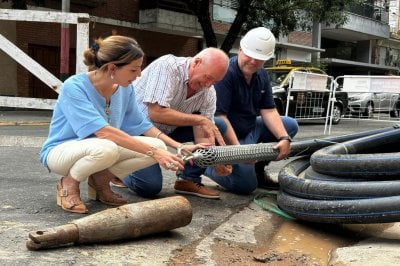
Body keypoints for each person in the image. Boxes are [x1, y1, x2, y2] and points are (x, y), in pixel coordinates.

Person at [39, 35, 204, 214]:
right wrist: (155, 154)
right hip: (62, 152)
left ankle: (100, 182)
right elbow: (103, 132)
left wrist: (178, 147)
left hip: (101, 149)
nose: (139, 74)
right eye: (134, 70)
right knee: (110, 147)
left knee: (157, 145)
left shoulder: (125, 88)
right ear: (112, 68)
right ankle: (68, 183)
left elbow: (142, 125)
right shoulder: (74, 86)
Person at [121, 47, 231, 199]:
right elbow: (157, 112)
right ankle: (118, 171)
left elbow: (204, 134)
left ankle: (188, 180)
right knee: (149, 187)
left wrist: (214, 160)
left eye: (215, 81)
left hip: (165, 131)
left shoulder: (209, 91)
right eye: (208, 77)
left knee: (215, 125)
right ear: (196, 63)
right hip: (135, 131)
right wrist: (199, 119)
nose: (208, 84)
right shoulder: (168, 66)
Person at [203, 27, 299, 194]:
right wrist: (241, 152)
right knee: (246, 187)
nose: (254, 62)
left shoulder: (261, 75)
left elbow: (268, 110)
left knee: (289, 125)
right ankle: (205, 166)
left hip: (250, 127)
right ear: (240, 49)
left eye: (260, 59)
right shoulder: (226, 73)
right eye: (250, 56)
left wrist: (284, 138)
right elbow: (220, 118)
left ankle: (258, 171)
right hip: (227, 134)